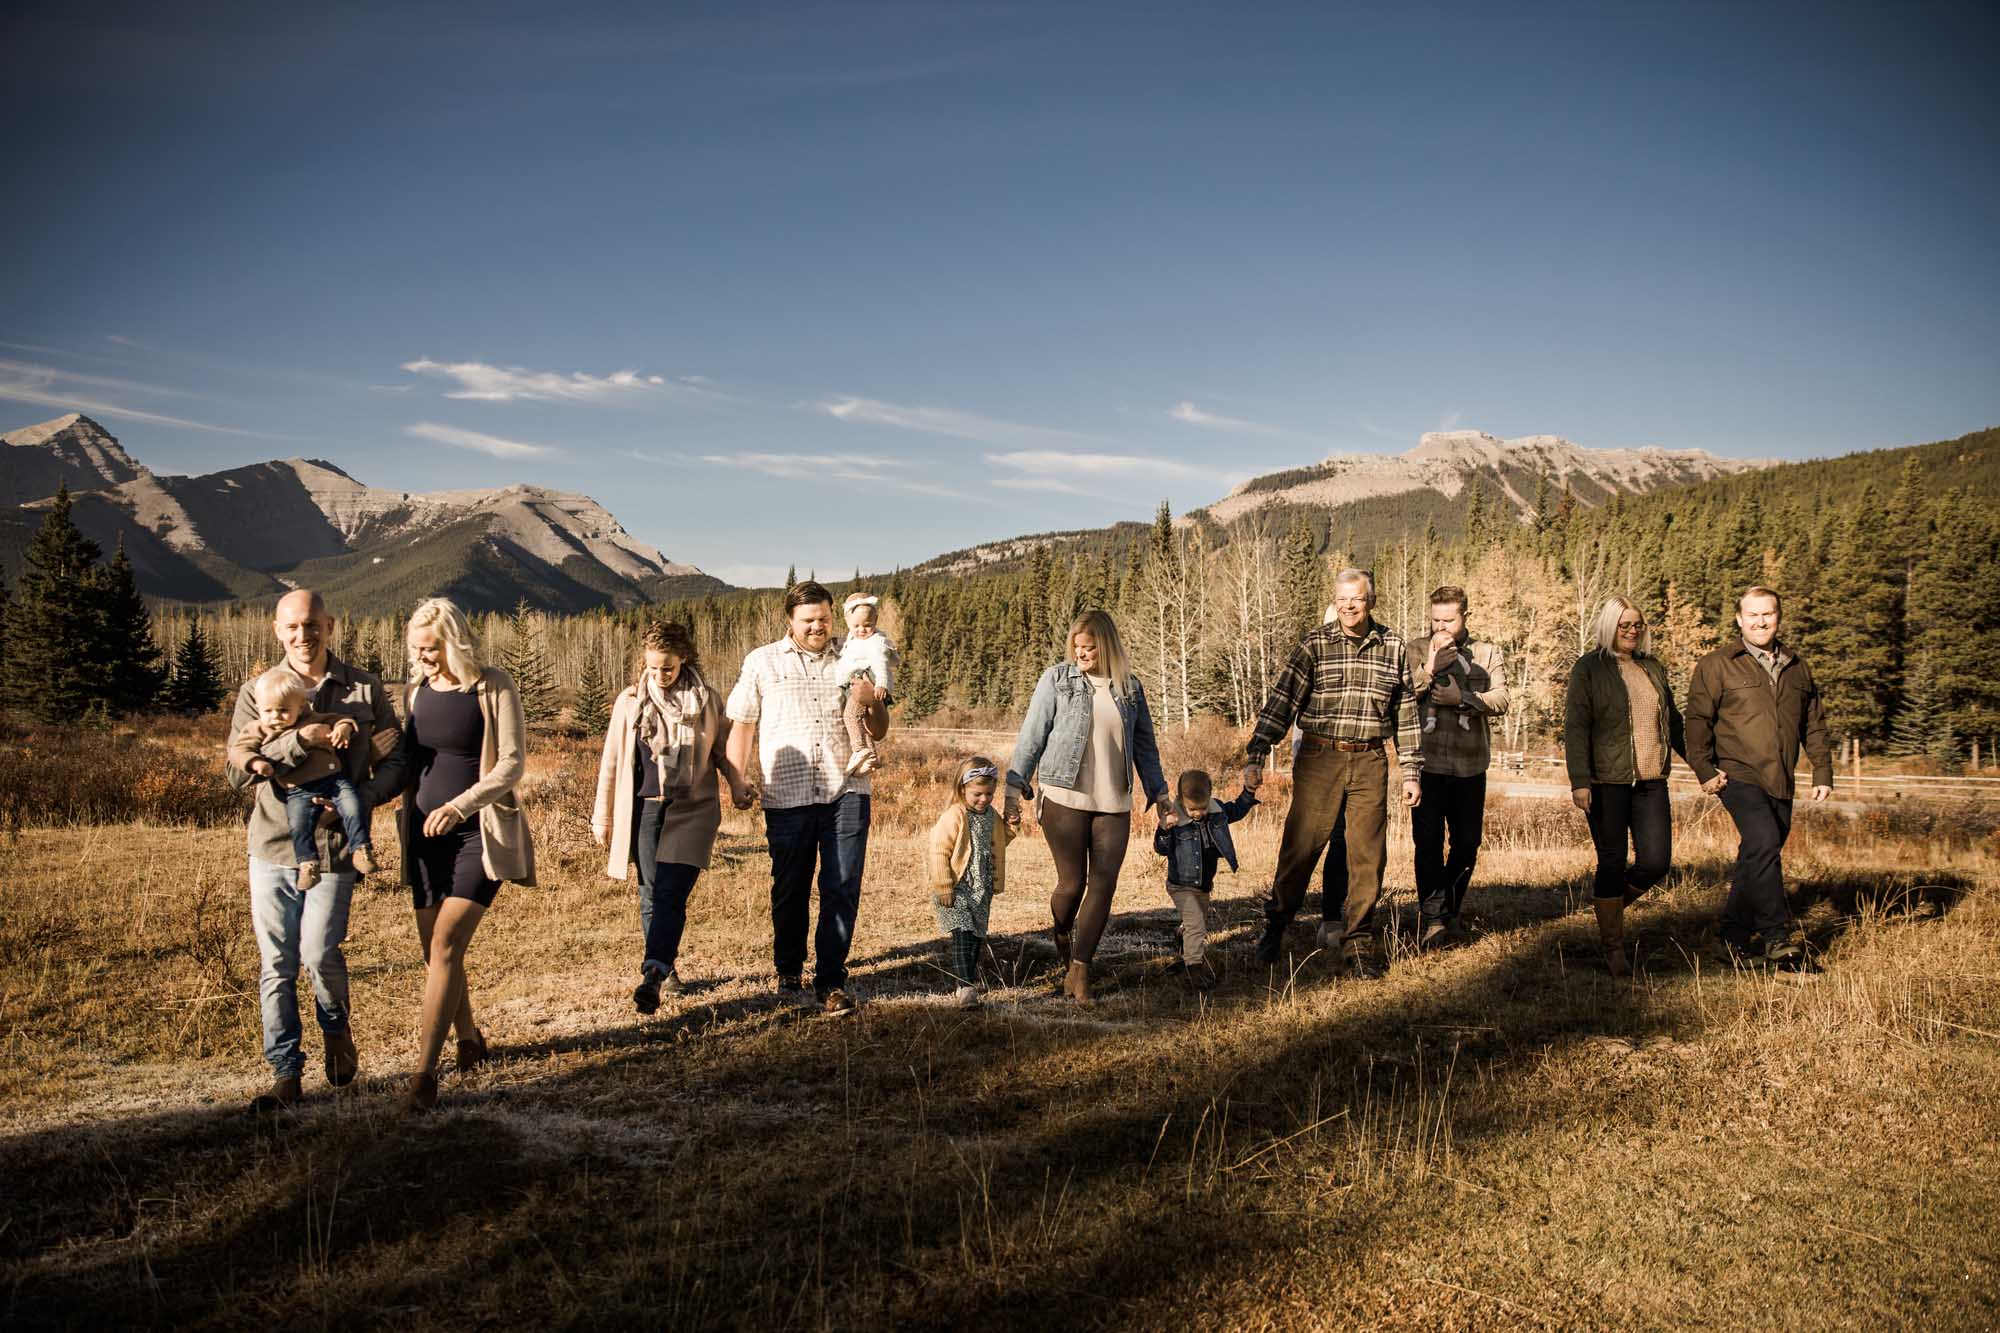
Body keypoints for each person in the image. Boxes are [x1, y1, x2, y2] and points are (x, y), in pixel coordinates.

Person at [223, 588, 404, 1116]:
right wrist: (302, 742)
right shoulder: (257, 692)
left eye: (313, 625)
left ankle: (335, 1028)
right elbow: (237, 770)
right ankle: (285, 1073)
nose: (304, 635)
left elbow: (397, 759)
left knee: (319, 955)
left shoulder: (364, 690)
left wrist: (363, 798)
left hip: (337, 849)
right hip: (273, 846)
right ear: (278, 631)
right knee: (276, 964)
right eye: (293, 627)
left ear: (330, 625)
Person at [1244, 568, 1421, 979]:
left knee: (1367, 855)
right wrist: (1257, 751)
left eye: (1356, 598)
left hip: (1370, 761)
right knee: (1301, 848)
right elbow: (1283, 700)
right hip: (1320, 757)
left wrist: (1411, 771)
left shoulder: (1393, 647)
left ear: (1370, 600)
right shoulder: (1315, 645)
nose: (1348, 606)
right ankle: (1276, 925)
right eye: (1342, 599)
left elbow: (1407, 714)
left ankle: (1357, 942)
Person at [725, 580, 889, 1014]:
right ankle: (789, 971)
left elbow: (880, 728)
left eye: (824, 618)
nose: (818, 626)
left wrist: (871, 701)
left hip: (847, 790)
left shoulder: (854, 657)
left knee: (841, 886)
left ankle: (832, 980)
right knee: (790, 887)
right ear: (790, 621)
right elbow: (741, 724)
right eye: (808, 620)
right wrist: (736, 778)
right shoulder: (763, 662)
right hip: (787, 794)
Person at [397, 597, 534, 1110]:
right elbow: (403, 762)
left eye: (430, 649)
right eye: (416, 649)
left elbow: (512, 764)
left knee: (448, 943)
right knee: (435, 952)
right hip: (422, 837)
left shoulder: (492, 685)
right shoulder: (415, 691)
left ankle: (423, 1076)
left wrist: (459, 806)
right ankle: (470, 1039)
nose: (422, 658)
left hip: (479, 832)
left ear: (452, 642)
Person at [1006, 609, 1176, 1004]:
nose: (1082, 654)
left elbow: (1145, 747)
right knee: (1072, 884)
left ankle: (1080, 970)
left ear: (1107, 645)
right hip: (1063, 794)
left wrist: (1161, 794)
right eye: (1077, 648)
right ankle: (1063, 929)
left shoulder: (1130, 688)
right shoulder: (1057, 679)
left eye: (1090, 647)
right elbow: (1033, 733)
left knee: (1104, 882)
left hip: (1113, 799)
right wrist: (1015, 786)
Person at [593, 621, 752, 1013]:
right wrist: (603, 815)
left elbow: (721, 751)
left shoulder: (707, 700)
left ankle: (653, 970)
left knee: (671, 893)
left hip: (692, 809)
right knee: (649, 892)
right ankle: (665, 969)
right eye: (653, 668)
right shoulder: (630, 700)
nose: (661, 676)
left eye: (668, 667)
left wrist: (737, 783)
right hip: (646, 809)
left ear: (684, 659)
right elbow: (612, 761)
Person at [1686, 586, 1833, 972]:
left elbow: (1813, 723)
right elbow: (1697, 721)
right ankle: (1777, 940)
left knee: (1759, 852)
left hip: (1780, 775)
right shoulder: (1717, 664)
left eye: (1767, 614)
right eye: (1752, 615)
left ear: (1778, 617)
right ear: (1739, 619)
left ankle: (1730, 941)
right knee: (1764, 841)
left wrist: (1822, 769)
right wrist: (1703, 768)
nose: (1760, 621)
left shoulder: (1797, 666)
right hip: (1736, 773)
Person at [1563, 596, 1686, 977]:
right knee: (1612, 861)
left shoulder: (1652, 668)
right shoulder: (1589, 668)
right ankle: (1613, 946)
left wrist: (1705, 766)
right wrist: (1579, 781)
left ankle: (1608, 911)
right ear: (1609, 626)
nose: (1633, 631)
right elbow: (1576, 727)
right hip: (1606, 782)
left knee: (1655, 862)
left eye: (1638, 625)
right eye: (1625, 625)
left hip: (1651, 781)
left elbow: (1675, 723)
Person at [1408, 586, 1509, 949]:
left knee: (1467, 844)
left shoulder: (1487, 653)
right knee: (1428, 844)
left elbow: (1502, 698)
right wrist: (1429, 669)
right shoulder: (1415, 650)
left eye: (1448, 620)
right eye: (1435, 619)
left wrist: (1462, 698)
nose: (1441, 626)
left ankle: (1448, 907)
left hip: (1470, 767)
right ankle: (1433, 919)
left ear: (1465, 615)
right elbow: (1400, 696)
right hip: (1427, 765)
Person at [228, 666, 379, 889]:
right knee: (299, 824)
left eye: (283, 710)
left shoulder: (310, 718)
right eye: (268, 711)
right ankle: (308, 863)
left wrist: (344, 728)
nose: (275, 717)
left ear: (300, 707)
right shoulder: (257, 729)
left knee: (352, 805)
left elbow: (339, 718)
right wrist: (256, 763)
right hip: (297, 790)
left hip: (333, 780)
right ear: (258, 708)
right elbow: (239, 752)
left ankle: (361, 849)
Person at [1153, 768, 1259, 989]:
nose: (1198, 813)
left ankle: (1182, 935)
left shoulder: (1217, 811)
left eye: (1202, 808)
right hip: (1180, 884)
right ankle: (1194, 968)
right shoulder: (1174, 819)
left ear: (1210, 797)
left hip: (1203, 884)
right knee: (1198, 926)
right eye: (1192, 809)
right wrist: (1163, 829)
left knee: (1194, 923)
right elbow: (1161, 849)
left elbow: (1237, 809)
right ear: (1181, 800)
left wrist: (1249, 791)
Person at [925, 756, 1014, 1007]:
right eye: (977, 794)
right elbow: (939, 850)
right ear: (962, 788)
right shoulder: (955, 815)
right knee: (963, 932)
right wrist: (944, 886)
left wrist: (1011, 827)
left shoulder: (990, 815)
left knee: (975, 937)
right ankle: (964, 987)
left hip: (981, 887)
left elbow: (997, 842)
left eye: (989, 794)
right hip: (957, 887)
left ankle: (968, 981)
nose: (984, 799)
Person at [836, 592, 897, 776]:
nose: (861, 629)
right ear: (848, 623)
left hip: (867, 679)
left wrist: (881, 684)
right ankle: (870, 756)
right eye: (856, 626)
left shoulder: (875, 641)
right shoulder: (852, 639)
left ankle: (859, 749)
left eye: (867, 625)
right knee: (861, 721)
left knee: (850, 716)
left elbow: (880, 662)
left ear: (876, 621)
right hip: (857, 680)